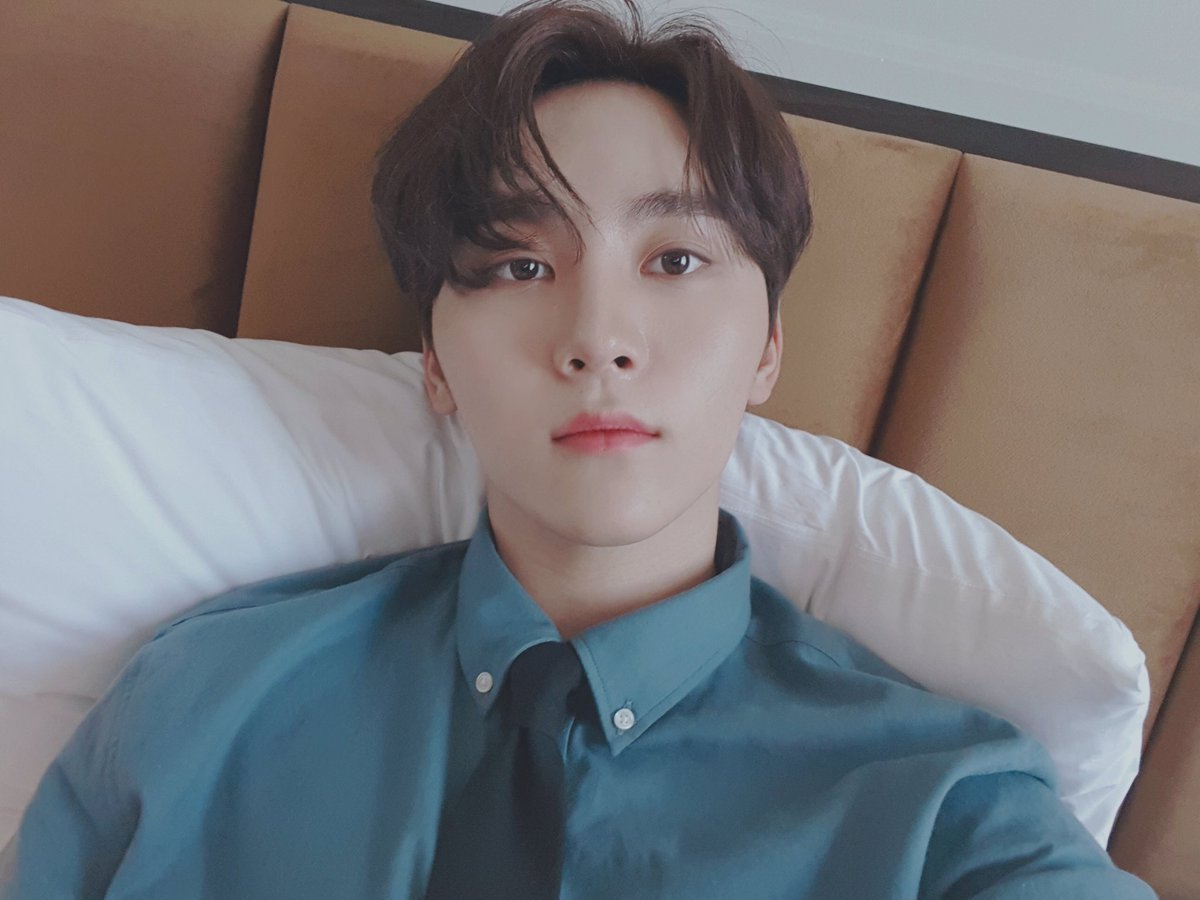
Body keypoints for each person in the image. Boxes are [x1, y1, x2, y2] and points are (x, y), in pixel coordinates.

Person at [0, 0, 1156, 897]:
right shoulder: (203, 699)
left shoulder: (945, 811)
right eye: (519, 265)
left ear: (767, 348)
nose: (598, 336)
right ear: (436, 364)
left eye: (675, 261)